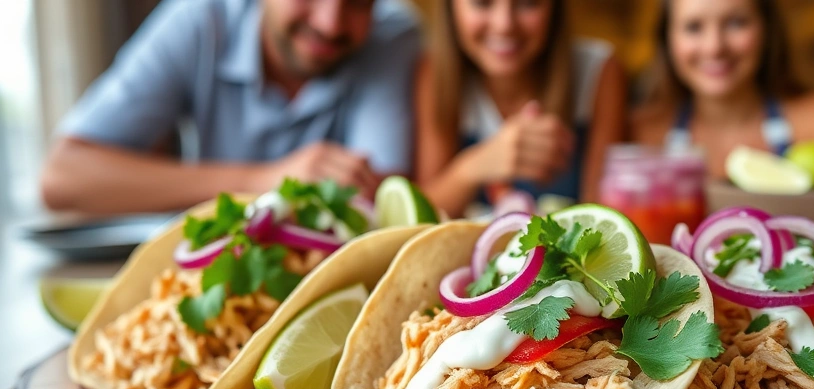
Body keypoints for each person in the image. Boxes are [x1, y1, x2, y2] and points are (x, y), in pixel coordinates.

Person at [40, 0, 421, 214]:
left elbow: (381, 199)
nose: (330, 23)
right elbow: (63, 177)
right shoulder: (199, 21)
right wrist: (263, 180)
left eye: (358, 2)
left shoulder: (392, 39)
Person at [414, 0, 627, 217]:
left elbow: (603, 218)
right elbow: (421, 217)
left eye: (528, 2)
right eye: (482, 2)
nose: (504, 25)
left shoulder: (599, 73)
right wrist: (475, 165)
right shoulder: (437, 74)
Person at [632, 0, 814, 179]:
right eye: (693, 27)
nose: (714, 47)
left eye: (736, 23)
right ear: (667, 38)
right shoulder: (639, 135)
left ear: (767, 29)